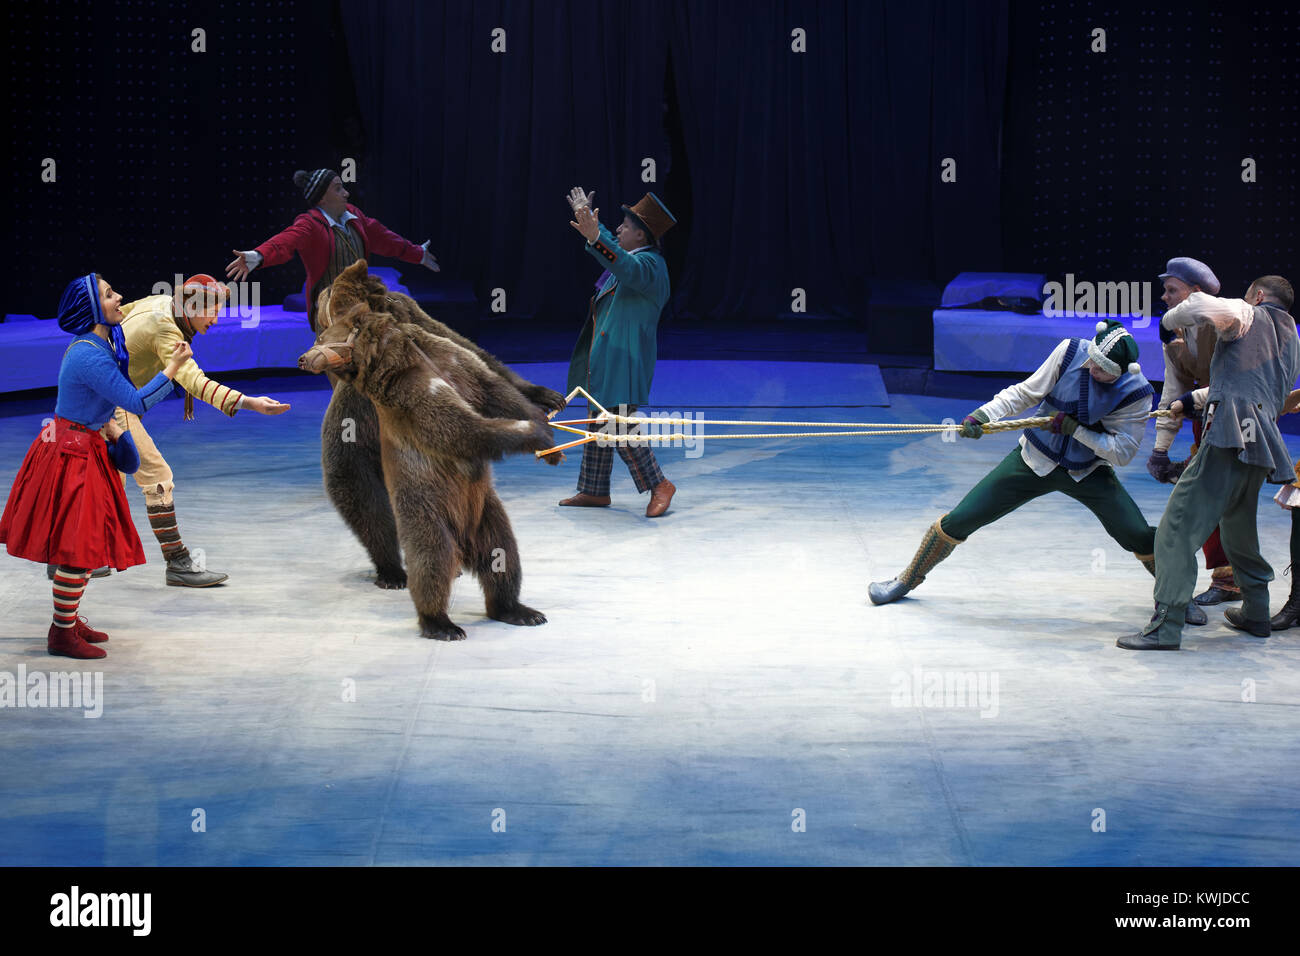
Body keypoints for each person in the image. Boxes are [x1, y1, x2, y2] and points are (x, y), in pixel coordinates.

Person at [870, 320, 1169, 611]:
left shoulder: (1136, 392)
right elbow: (1026, 392)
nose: (1092, 368)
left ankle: (1173, 596)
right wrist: (985, 414)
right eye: (1092, 360)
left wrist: (1077, 431)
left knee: (1136, 533)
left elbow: (1122, 453)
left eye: (1102, 370)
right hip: (1033, 459)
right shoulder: (1069, 352)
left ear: (1120, 373)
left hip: (1087, 471)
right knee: (962, 518)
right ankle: (906, 579)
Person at [0, 275, 189, 659]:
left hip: (85, 448)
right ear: (92, 309)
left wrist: (109, 426)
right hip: (71, 456)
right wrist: (171, 369)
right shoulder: (89, 353)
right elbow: (135, 402)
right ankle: (62, 633)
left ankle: (66, 620)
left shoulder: (99, 345)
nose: (119, 296)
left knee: (84, 546)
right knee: (77, 550)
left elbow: (100, 403)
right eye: (108, 294)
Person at [1117, 276, 1300, 650]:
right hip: (1259, 445)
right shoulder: (1292, 337)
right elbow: (1258, 390)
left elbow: (1199, 307)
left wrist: (1168, 322)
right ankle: (1257, 612)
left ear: (1259, 296)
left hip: (1228, 441)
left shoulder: (1245, 312)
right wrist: (1192, 401)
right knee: (1239, 532)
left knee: (1176, 530)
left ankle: (1165, 627)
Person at [110, 274, 291, 587]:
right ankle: (178, 563)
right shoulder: (166, 327)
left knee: (109, 478)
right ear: (192, 306)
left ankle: (66, 558)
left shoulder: (162, 304)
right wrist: (250, 403)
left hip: (107, 395)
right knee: (157, 477)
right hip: (111, 403)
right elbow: (194, 381)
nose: (217, 319)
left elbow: (119, 317)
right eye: (213, 311)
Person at [561, 187, 677, 518]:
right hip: (609, 356)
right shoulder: (632, 262)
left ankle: (659, 484)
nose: (618, 230)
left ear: (641, 234)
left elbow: (624, 265)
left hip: (625, 358)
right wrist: (594, 232)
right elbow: (618, 262)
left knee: (618, 423)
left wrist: (596, 235)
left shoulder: (650, 265)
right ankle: (595, 490)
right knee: (599, 419)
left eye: (624, 227)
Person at [225, 168, 440, 332]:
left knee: (402, 313)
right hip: (330, 308)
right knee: (347, 369)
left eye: (343, 187)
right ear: (321, 198)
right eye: (338, 188)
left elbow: (384, 238)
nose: (346, 193)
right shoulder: (309, 224)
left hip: (362, 301)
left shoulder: (355, 217)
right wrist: (258, 256)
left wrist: (417, 254)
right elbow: (285, 241)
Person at [1145, 257, 1241, 607]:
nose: (1165, 297)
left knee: (1224, 498)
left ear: (1196, 293)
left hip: (1238, 415)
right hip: (1206, 415)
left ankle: (1235, 580)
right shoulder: (1176, 334)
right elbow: (1173, 390)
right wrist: (1160, 448)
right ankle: (1230, 578)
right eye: (1165, 291)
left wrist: (1192, 402)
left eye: (1172, 290)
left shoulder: (1228, 322)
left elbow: (1232, 382)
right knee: (1209, 496)